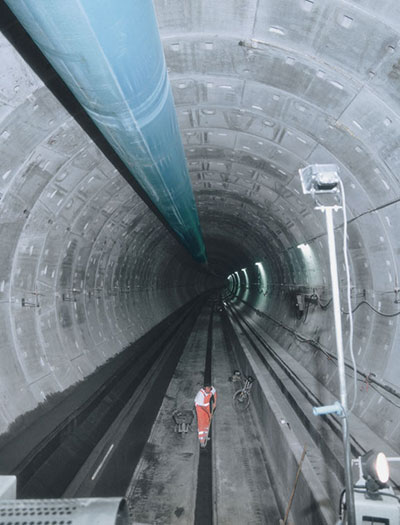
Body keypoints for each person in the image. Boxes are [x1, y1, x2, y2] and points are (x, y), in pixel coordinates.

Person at [194, 383, 217, 447]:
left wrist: (215, 402)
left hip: (206, 406)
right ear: (204, 388)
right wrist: (209, 413)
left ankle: (205, 436)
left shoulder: (211, 389)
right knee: (201, 423)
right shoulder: (201, 394)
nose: (208, 390)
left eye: (209, 389)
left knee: (207, 421)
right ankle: (201, 440)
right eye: (207, 389)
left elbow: (214, 393)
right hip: (200, 408)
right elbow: (202, 407)